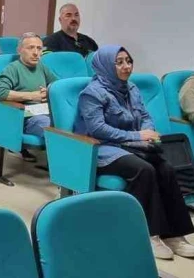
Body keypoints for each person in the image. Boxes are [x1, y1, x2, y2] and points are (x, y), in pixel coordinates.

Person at [76, 46, 194, 260]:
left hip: (129, 144)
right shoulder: (91, 93)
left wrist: (148, 131)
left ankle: (175, 234)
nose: (126, 66)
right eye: (119, 62)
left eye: (128, 61)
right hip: (101, 147)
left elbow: (145, 115)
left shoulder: (131, 88)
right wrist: (138, 136)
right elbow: (97, 129)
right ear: (105, 66)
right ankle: (149, 233)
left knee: (166, 168)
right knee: (144, 170)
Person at [0, 32, 55, 162]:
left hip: (46, 111)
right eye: (31, 48)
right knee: (53, 127)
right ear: (20, 50)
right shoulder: (13, 69)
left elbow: (57, 86)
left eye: (39, 48)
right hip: (26, 116)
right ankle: (62, 170)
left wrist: (49, 92)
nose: (36, 53)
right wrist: (31, 96)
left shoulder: (41, 67)